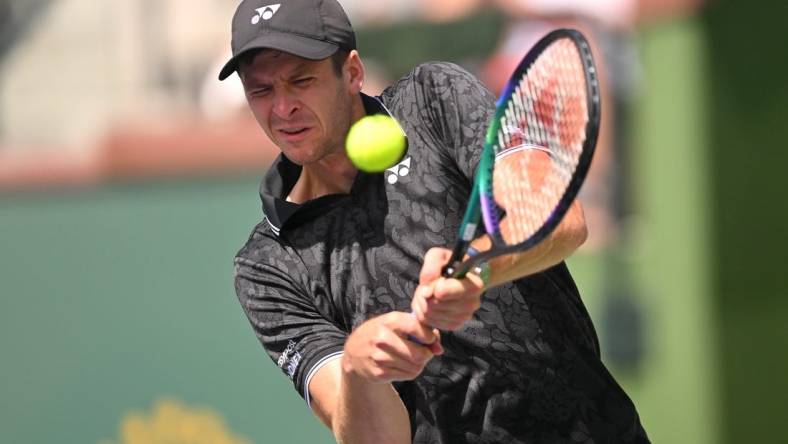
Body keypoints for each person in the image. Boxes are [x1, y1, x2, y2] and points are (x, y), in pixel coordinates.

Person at [221, 0, 649, 442]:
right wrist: (359, 369)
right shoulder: (266, 268)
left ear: (351, 73)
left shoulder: (433, 100)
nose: (282, 108)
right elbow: (376, 439)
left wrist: (477, 269)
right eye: (262, 91)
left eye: (301, 81)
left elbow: (561, 219)